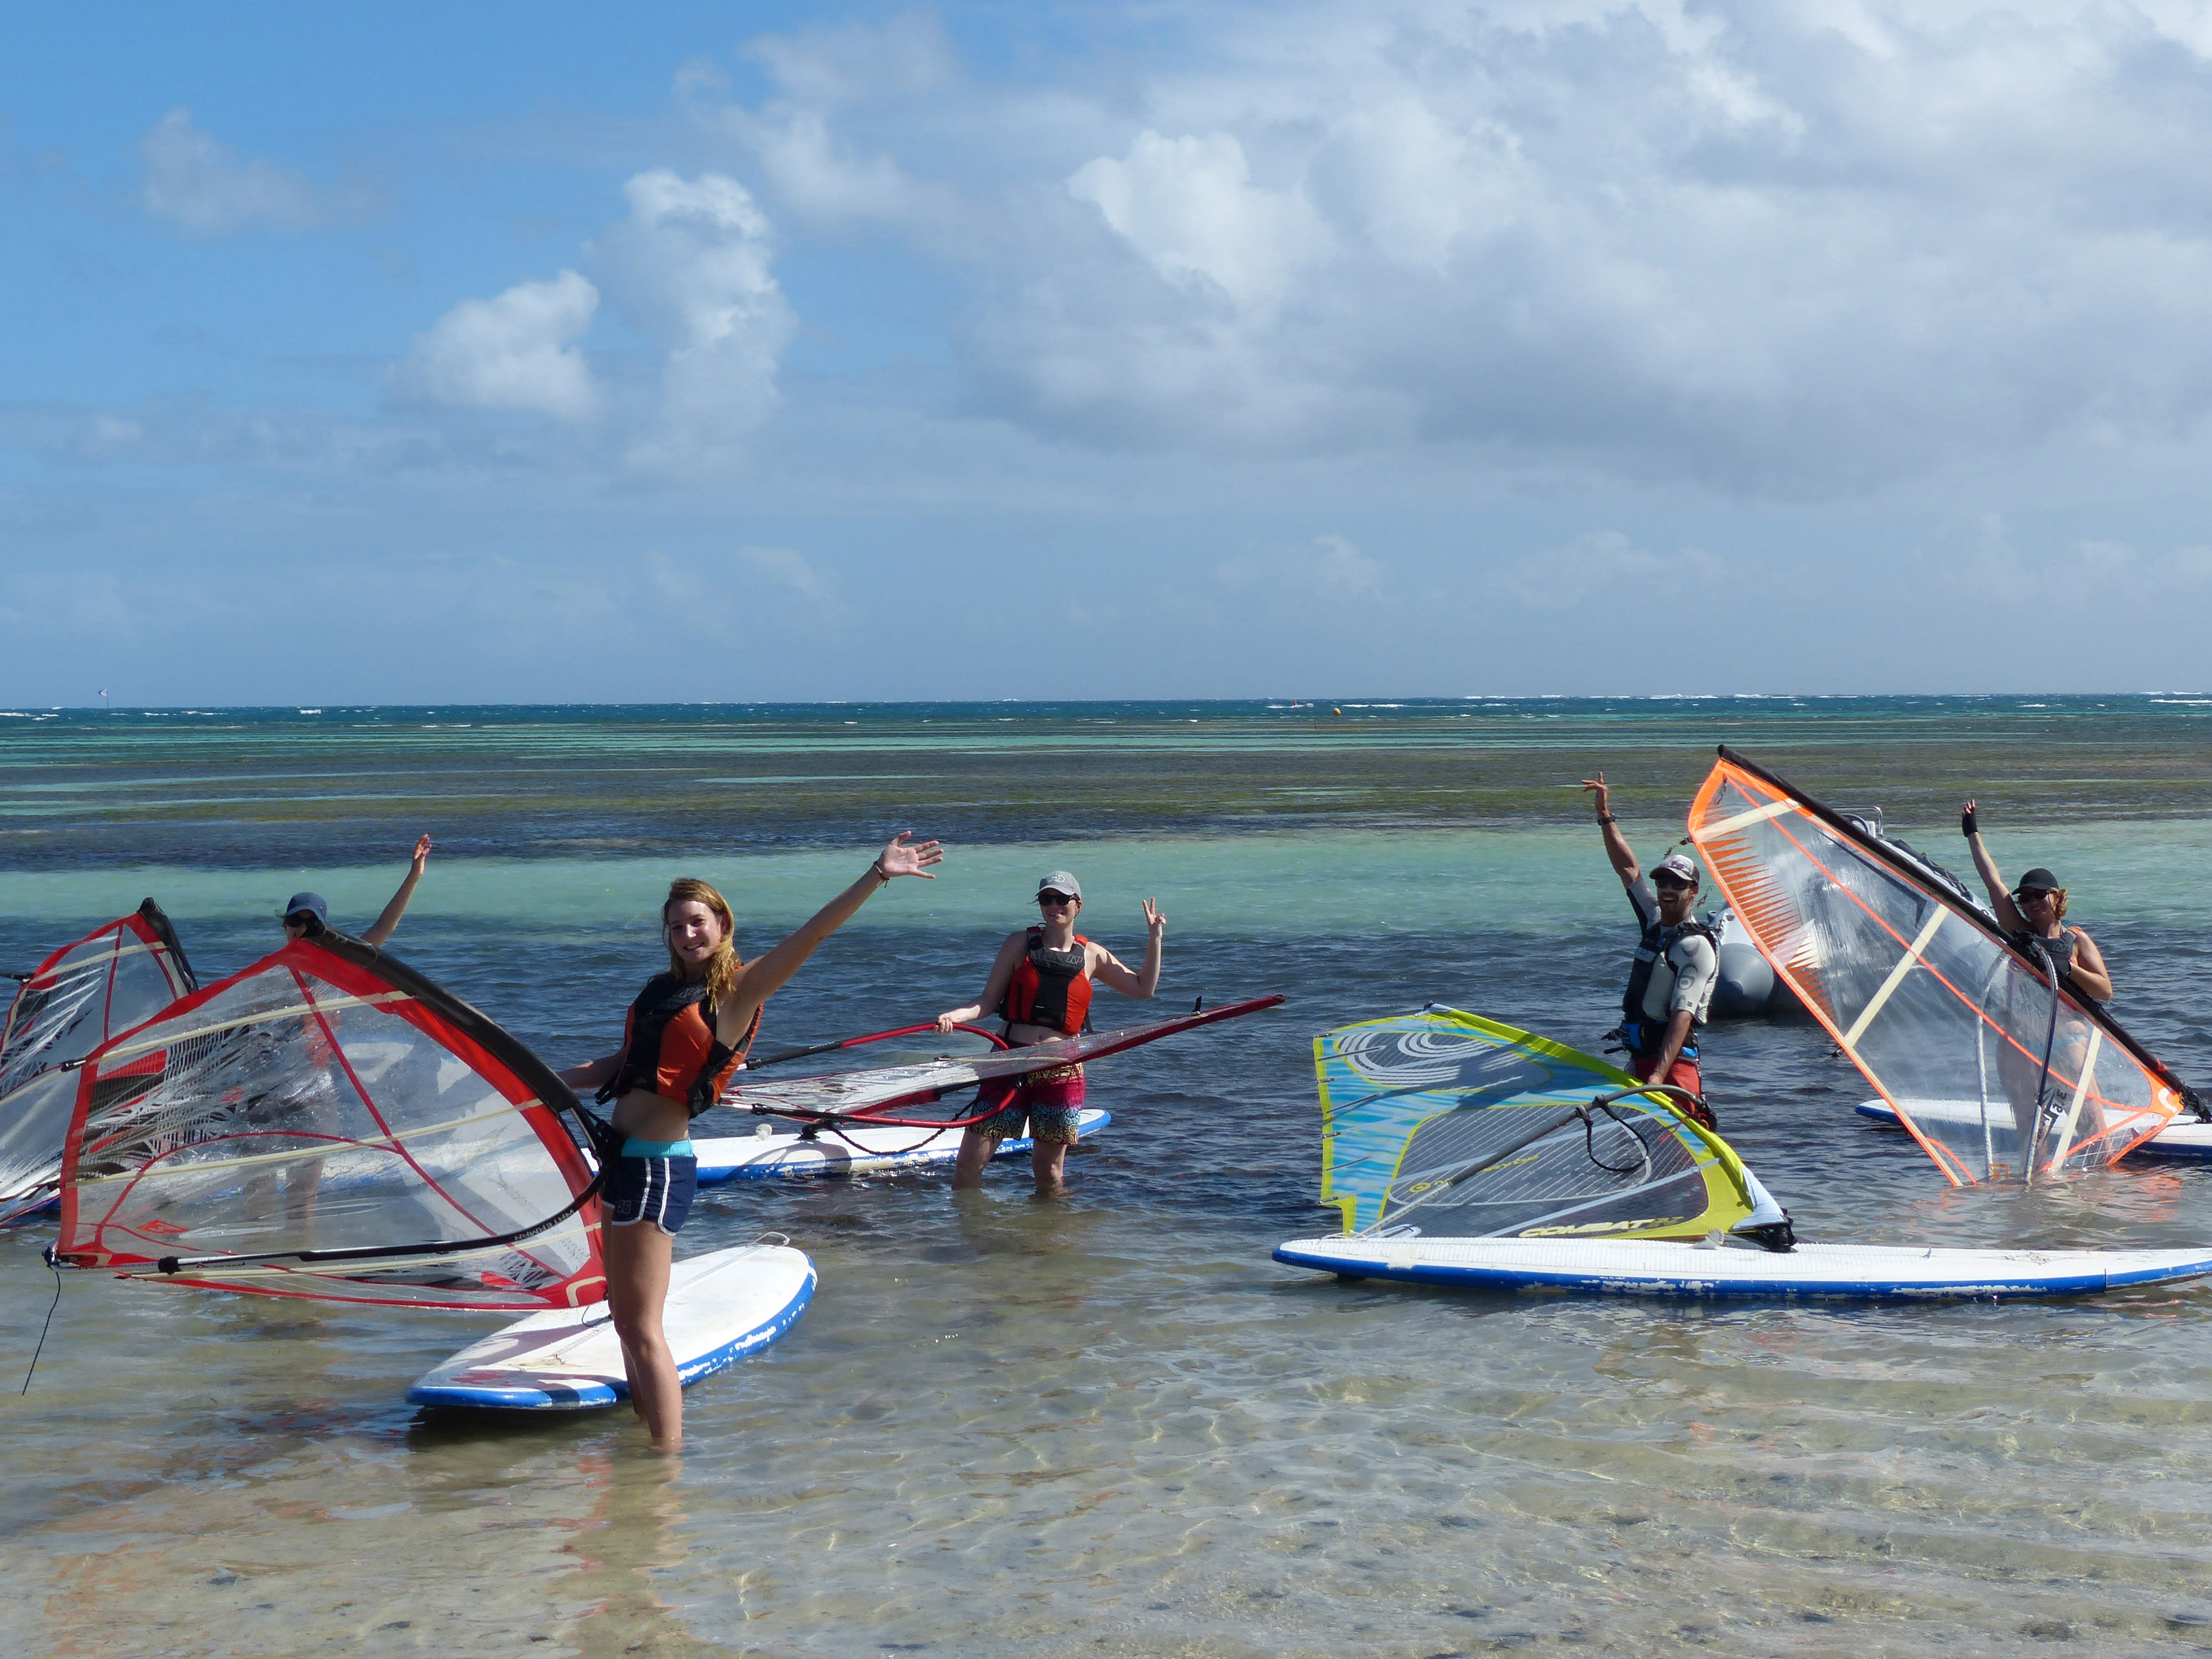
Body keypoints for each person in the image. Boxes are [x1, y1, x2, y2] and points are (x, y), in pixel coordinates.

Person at [557, 832, 942, 1451]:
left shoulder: (735, 992)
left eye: (699, 922)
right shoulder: (660, 993)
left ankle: (665, 1470)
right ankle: (643, 1447)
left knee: (643, 1326)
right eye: (678, 925)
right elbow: (622, 1064)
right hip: (620, 1161)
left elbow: (811, 936)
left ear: (723, 924)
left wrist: (878, 874)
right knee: (625, 1322)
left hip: (657, 1167)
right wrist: (532, 1079)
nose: (689, 934)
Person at [935, 871, 1165, 1197]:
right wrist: (954, 1017)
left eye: (1061, 899)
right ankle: (969, 1240)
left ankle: (1049, 1240)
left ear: (1078, 906)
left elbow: (1144, 989)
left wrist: (1155, 938)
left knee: (1049, 1172)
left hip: (1063, 1071)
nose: (1053, 905)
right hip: (1008, 1064)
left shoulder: (1092, 955)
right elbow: (987, 1001)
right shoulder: (1019, 944)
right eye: (1046, 899)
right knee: (970, 1162)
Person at [1580, 774, 1719, 1126]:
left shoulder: (1695, 946)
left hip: (1674, 1066)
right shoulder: (1655, 921)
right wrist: (1605, 814)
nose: (1667, 889)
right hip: (1640, 1058)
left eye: (1678, 884)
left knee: (1676, 1144)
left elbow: (1682, 1015)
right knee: (1635, 1142)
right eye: (1663, 882)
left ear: (1693, 892)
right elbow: (1628, 870)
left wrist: (1657, 1078)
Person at [1960, 800, 2113, 1002]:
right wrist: (1972, 832)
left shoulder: (2076, 940)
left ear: (2057, 897)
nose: (2033, 902)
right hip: (2021, 1031)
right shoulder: (2018, 930)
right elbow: (1993, 882)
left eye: (2040, 895)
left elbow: (2105, 992)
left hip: (2072, 1032)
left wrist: (2068, 968)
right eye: (2025, 897)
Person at [280, 834, 435, 947]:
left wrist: (414, 875)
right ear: (285, 925)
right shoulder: (275, 970)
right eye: (296, 921)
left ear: (323, 930)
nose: (302, 929)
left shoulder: (342, 962)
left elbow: (384, 927)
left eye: (312, 924)